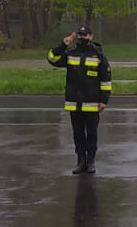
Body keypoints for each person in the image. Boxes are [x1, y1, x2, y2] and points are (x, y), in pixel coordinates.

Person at [48, 26, 112, 174]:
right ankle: (80, 161)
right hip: (74, 103)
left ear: (91, 36)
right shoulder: (71, 53)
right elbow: (52, 59)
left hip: (92, 103)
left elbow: (106, 80)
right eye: (81, 35)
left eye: (86, 35)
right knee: (78, 134)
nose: (83, 37)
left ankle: (91, 162)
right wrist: (63, 45)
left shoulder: (98, 55)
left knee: (92, 134)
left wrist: (104, 100)